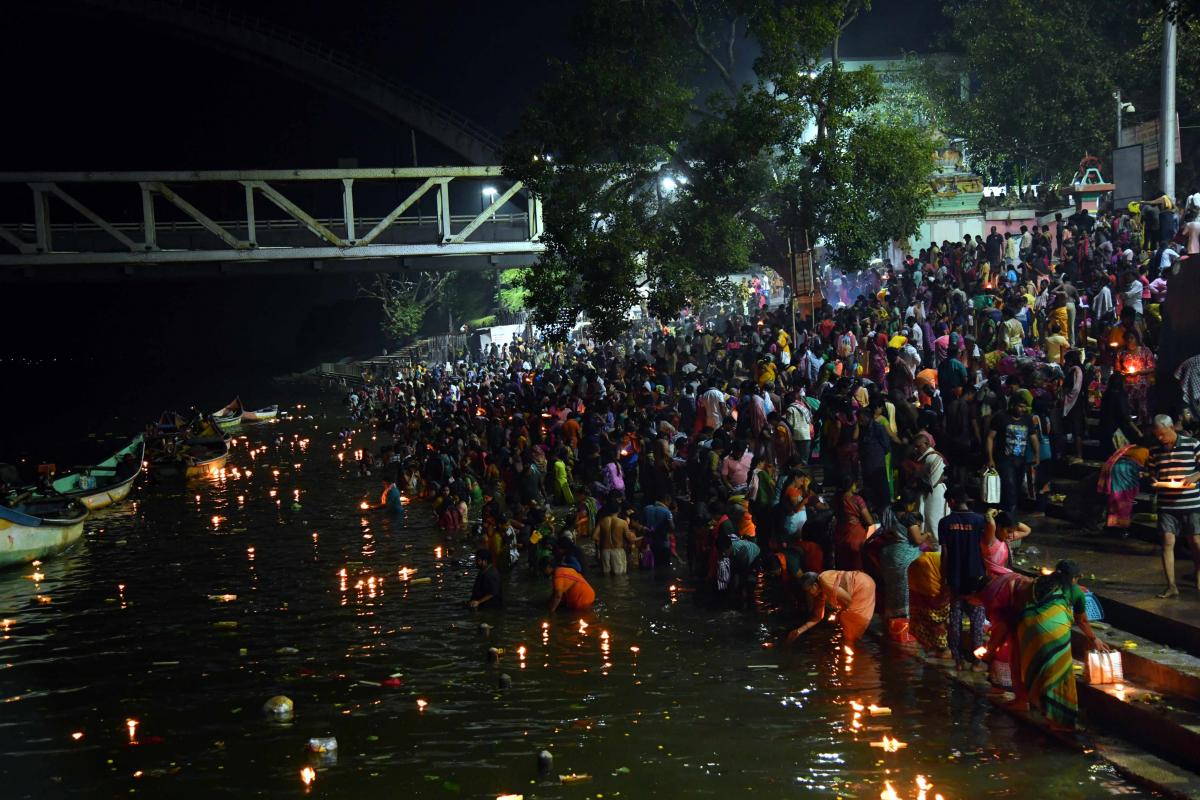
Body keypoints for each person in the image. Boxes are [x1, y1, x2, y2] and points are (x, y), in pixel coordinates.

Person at [1016, 559, 1111, 731]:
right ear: (1076, 578)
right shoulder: (1074, 590)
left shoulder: (1037, 582)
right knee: (1059, 674)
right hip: (1052, 630)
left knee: (1039, 670)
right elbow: (1081, 620)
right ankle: (1059, 722)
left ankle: (1041, 709)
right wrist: (1094, 639)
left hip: (1026, 629)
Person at [1146, 416, 1200, 598]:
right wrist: (1153, 481)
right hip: (1167, 504)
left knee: (1195, 542)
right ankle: (1171, 585)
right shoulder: (1155, 450)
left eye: (1163, 434)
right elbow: (1151, 472)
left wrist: (1194, 477)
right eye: (1157, 436)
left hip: (1191, 502)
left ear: (1172, 428)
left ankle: (1198, 575)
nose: (1160, 439)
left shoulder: (1192, 444)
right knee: (1167, 542)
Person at [939, 488, 992, 670]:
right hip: (976, 577)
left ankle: (957, 659)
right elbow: (987, 547)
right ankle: (977, 660)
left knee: (955, 618)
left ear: (952, 501)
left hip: (955, 577)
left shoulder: (945, 523)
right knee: (977, 620)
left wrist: (943, 578)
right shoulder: (979, 521)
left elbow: (945, 554)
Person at [879, 504, 931, 643]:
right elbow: (918, 540)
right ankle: (906, 619)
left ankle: (892, 618)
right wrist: (927, 534)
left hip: (891, 558)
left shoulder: (895, 524)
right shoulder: (912, 524)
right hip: (902, 558)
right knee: (905, 587)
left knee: (893, 589)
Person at [787, 569, 877, 647]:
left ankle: (858, 658)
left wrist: (839, 613)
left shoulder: (824, 581)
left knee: (850, 628)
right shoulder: (820, 593)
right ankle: (853, 650)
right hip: (861, 585)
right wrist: (799, 631)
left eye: (809, 590)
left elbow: (848, 600)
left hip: (862, 585)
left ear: (815, 585)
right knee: (849, 631)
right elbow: (818, 617)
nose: (809, 594)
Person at [986, 395, 1038, 517]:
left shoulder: (1027, 419)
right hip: (1004, 459)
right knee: (1009, 486)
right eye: (1020, 407)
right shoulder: (1001, 417)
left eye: (1024, 407)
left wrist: (1037, 455)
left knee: (1017, 487)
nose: (1023, 409)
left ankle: (1009, 513)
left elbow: (1033, 437)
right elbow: (990, 437)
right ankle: (1008, 514)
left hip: (1021, 459)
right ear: (1013, 406)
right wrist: (990, 458)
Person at [1097, 445, 1150, 536]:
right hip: (1125, 471)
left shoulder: (1131, 447)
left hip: (1115, 469)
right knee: (1123, 501)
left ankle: (1112, 526)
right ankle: (1119, 529)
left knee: (1116, 499)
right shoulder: (1149, 451)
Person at [981, 509, 1030, 576]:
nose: (1011, 535)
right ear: (998, 527)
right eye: (1009, 531)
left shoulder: (1005, 539)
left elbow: (1027, 530)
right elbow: (991, 524)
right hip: (993, 579)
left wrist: (1010, 520)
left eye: (1013, 532)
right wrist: (990, 515)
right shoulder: (990, 541)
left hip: (1003, 576)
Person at [594, 509, 640, 575]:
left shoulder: (602, 521)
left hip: (605, 551)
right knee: (619, 577)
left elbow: (594, 536)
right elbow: (629, 539)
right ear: (618, 511)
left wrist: (603, 541)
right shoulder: (622, 522)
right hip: (618, 551)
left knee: (606, 576)